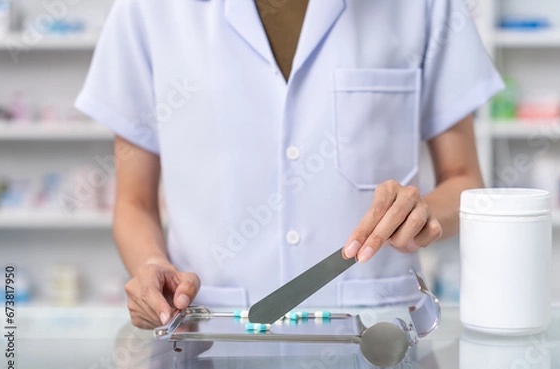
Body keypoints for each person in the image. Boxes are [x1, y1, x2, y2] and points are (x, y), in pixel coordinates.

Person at [76, 0, 503, 329]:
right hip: (212, 333)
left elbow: (463, 180)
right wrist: (152, 266)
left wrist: (426, 214)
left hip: (375, 336)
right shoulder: (148, 10)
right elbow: (133, 201)